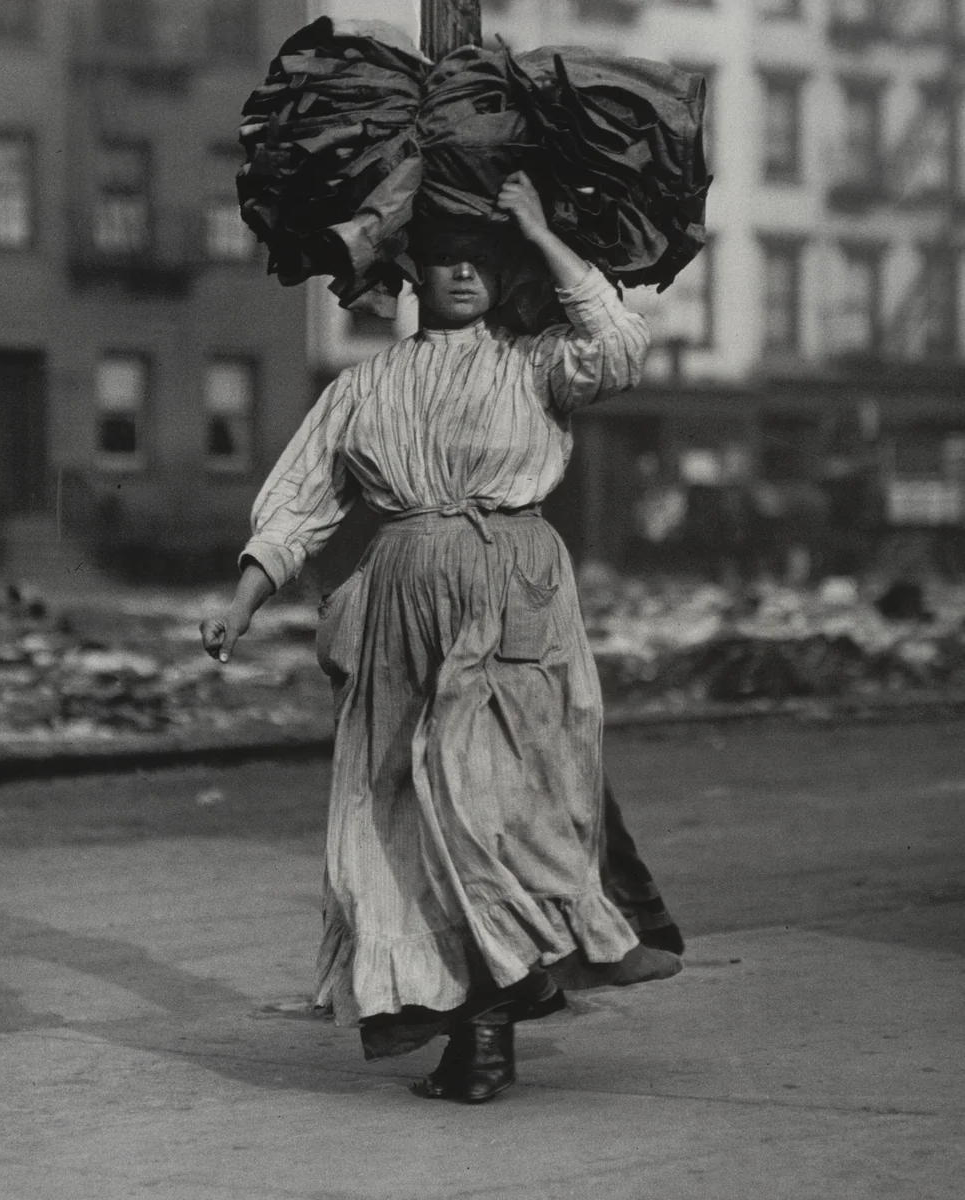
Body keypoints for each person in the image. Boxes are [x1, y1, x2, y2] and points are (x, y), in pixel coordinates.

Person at [200, 172, 682, 1104]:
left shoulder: (537, 363)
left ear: (504, 271)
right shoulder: (365, 387)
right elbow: (299, 501)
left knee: (487, 802)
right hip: (401, 604)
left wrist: (538, 229)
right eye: (444, 258)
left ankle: (509, 999)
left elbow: (620, 349)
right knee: (407, 820)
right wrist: (242, 601)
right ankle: (484, 1029)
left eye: (480, 258)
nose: (462, 272)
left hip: (514, 594)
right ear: (410, 273)